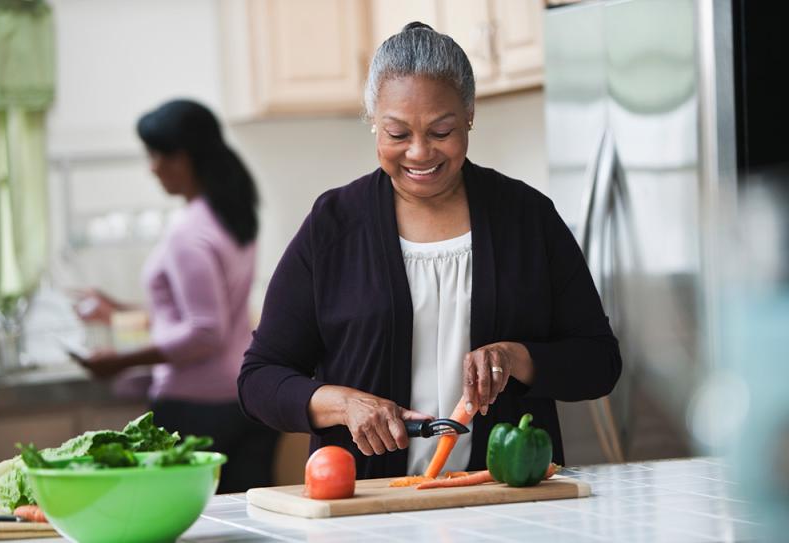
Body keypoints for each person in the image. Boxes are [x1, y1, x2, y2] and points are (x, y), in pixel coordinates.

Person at [238, 22, 622, 479]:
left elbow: (599, 362)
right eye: (397, 134)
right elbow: (259, 379)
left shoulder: (528, 218)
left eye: (441, 131)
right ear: (373, 122)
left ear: (470, 115)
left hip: (505, 501)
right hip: (368, 508)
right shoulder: (334, 225)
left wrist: (516, 358)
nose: (419, 153)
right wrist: (345, 404)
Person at [76, 99, 278, 492]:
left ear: (182, 158)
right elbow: (203, 309)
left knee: (188, 525)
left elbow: (204, 331)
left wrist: (121, 362)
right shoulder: (232, 215)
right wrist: (118, 311)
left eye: (156, 155)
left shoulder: (189, 233)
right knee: (248, 523)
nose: (151, 167)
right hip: (243, 398)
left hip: (197, 406)